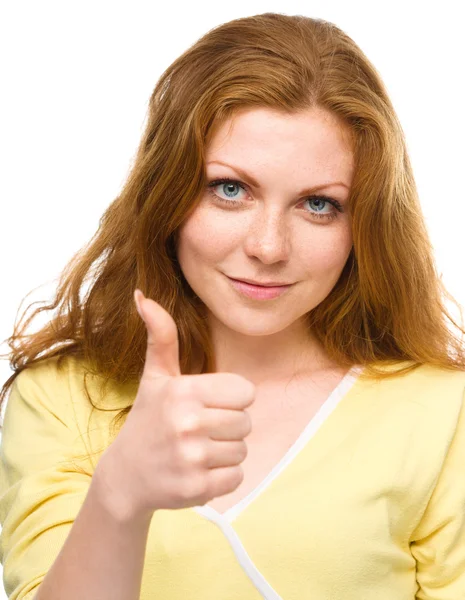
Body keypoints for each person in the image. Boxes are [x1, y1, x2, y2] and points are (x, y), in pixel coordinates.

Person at [1, 11, 465, 600]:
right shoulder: (61, 397)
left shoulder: (444, 413)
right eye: (230, 189)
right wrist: (119, 494)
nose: (267, 247)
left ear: (365, 224)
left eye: (318, 204)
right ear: (166, 192)